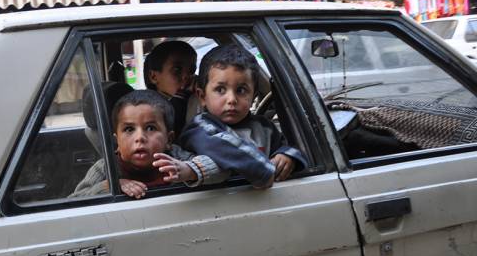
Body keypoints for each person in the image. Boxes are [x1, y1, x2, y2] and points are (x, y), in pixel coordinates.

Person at [179, 44, 307, 189]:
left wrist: (287, 156)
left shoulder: (264, 127)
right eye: (220, 89)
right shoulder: (198, 129)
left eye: (241, 90)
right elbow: (225, 147)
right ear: (202, 96)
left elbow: (291, 145)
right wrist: (264, 173)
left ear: (253, 96)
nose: (231, 99)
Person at [71, 90, 225, 199]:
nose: (140, 137)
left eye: (150, 128)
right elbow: (74, 199)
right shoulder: (107, 167)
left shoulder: (176, 160)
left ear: (169, 140)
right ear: (117, 141)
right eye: (129, 129)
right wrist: (110, 185)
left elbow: (223, 170)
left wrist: (190, 170)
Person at [143, 41, 197, 136]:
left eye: (192, 70)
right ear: (154, 77)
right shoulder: (147, 108)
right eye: (177, 70)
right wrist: (181, 95)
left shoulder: (196, 96)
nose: (187, 76)